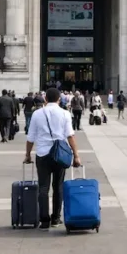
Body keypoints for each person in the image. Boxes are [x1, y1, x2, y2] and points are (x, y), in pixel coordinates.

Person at [24, 87, 82, 229]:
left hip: (43, 154)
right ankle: (56, 218)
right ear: (59, 99)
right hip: (60, 155)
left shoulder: (37, 114)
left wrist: (27, 155)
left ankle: (44, 220)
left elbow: (30, 138)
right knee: (58, 186)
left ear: (45, 99)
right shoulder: (65, 113)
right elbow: (70, 136)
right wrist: (76, 156)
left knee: (43, 187)